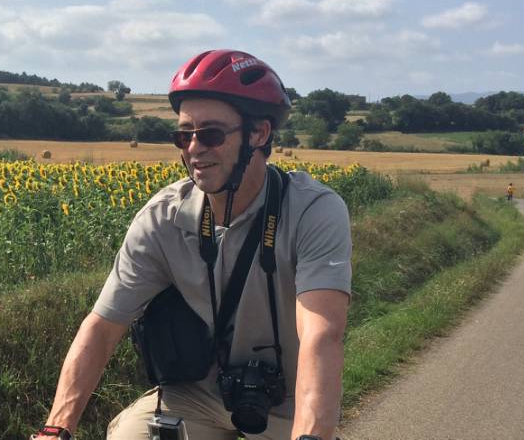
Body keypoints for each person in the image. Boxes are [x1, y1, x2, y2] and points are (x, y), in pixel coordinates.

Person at [32, 50, 351, 440]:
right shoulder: (163, 217)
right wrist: (56, 428)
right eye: (185, 135)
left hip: (288, 399)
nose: (195, 148)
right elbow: (102, 327)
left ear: (259, 134)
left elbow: (322, 333)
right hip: (198, 394)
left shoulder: (313, 210)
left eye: (212, 134)